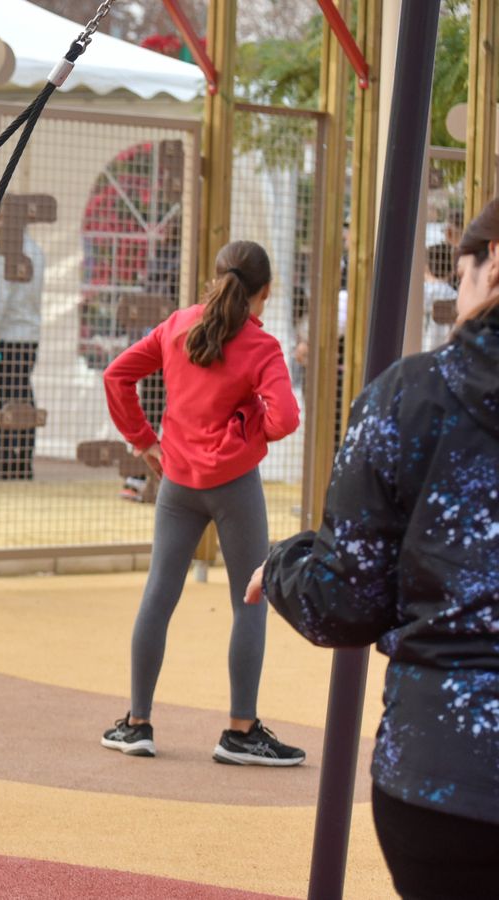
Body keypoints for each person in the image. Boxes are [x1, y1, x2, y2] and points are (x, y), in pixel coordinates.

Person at [247, 198, 499, 897]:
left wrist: (282, 563)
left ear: (492, 263)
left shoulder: (411, 397)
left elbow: (345, 601)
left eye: (462, 267)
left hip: (448, 772)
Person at [99, 240, 304, 765]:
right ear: (265, 293)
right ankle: (240, 731)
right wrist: (246, 424)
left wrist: (144, 440)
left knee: (159, 595)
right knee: (250, 599)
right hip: (235, 485)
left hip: (178, 481)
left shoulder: (177, 326)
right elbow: (284, 420)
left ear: (214, 278)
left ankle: (136, 723)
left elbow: (117, 374)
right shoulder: (262, 347)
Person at [0, 233, 45, 480]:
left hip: (7, 335)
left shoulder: (6, 253)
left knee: (7, 399)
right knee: (23, 393)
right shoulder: (36, 249)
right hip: (29, 335)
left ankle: (7, 457)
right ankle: (23, 459)